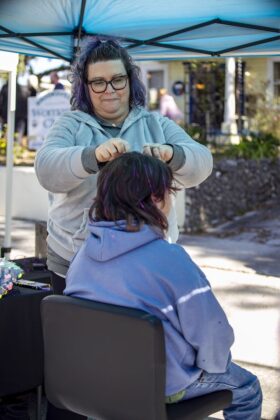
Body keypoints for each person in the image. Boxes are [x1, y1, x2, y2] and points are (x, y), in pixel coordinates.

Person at [64, 151, 262, 419]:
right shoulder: (171, 259)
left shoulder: (82, 256)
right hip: (163, 384)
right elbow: (212, 334)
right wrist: (212, 367)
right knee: (248, 388)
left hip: (98, 381)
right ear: (156, 197)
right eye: (170, 192)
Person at [35, 37, 213, 296]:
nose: (109, 89)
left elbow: (203, 162)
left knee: (138, 336)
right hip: (73, 262)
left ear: (130, 80)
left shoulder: (156, 124)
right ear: (85, 87)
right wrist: (91, 157)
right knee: (76, 335)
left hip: (147, 264)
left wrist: (172, 155)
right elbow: (46, 170)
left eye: (117, 79)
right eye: (98, 82)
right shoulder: (70, 125)